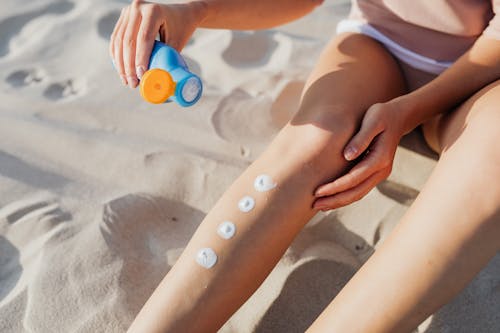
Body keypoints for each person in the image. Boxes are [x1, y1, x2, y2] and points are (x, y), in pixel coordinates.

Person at [109, 0, 500, 332]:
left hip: (486, 79)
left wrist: (406, 113)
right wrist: (194, 11)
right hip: (382, 47)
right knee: (312, 144)